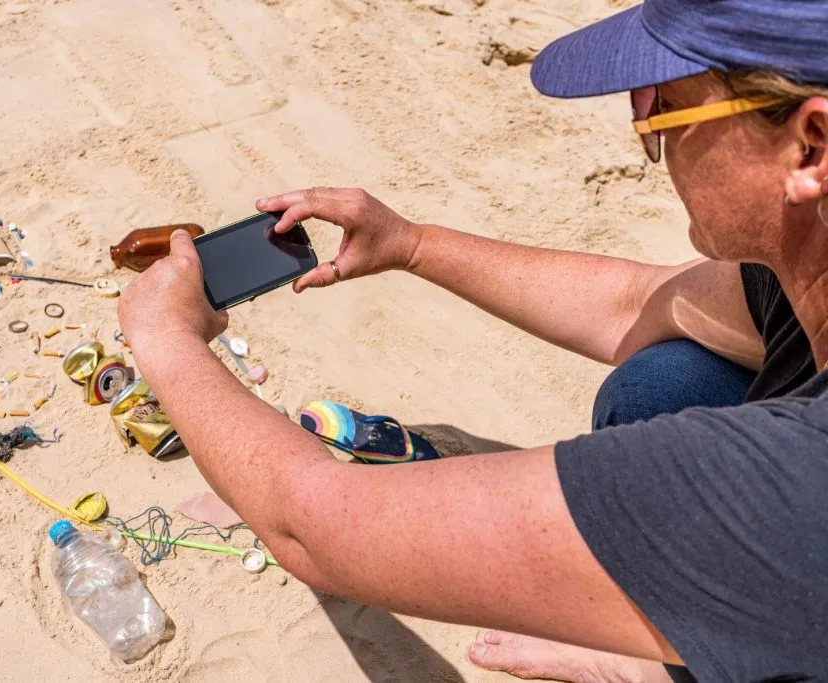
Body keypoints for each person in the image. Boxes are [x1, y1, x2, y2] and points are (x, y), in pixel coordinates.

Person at [117, 0, 828, 680]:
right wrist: (412, 244)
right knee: (665, 384)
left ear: (810, 146)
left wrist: (168, 341)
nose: (652, 139)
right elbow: (636, 304)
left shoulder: (791, 484)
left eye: (664, 111)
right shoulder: (804, 269)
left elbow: (318, 527)